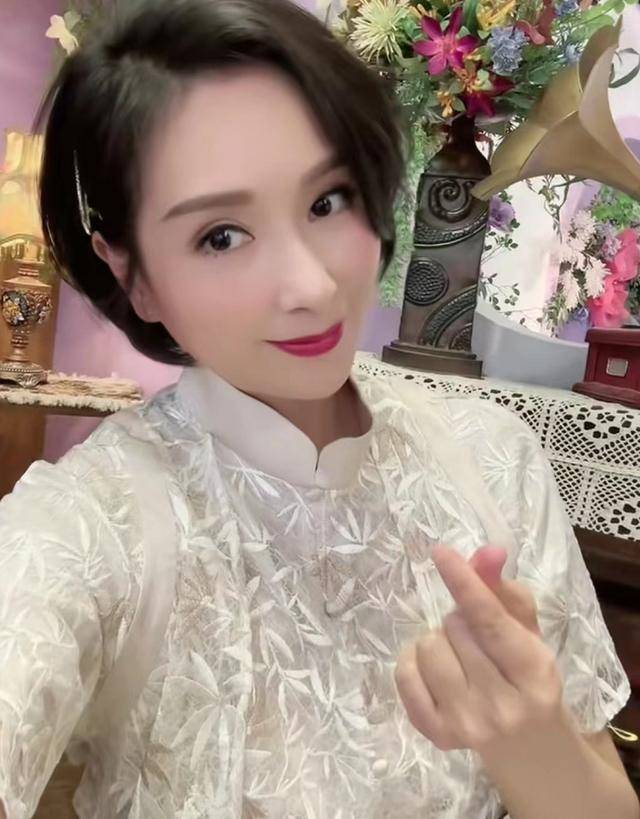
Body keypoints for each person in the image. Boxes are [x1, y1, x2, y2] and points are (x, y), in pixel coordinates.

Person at [0, 0, 637, 817]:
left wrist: (532, 743)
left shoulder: (493, 457)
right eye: (221, 236)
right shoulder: (97, 519)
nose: (310, 285)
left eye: (329, 199)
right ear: (134, 277)